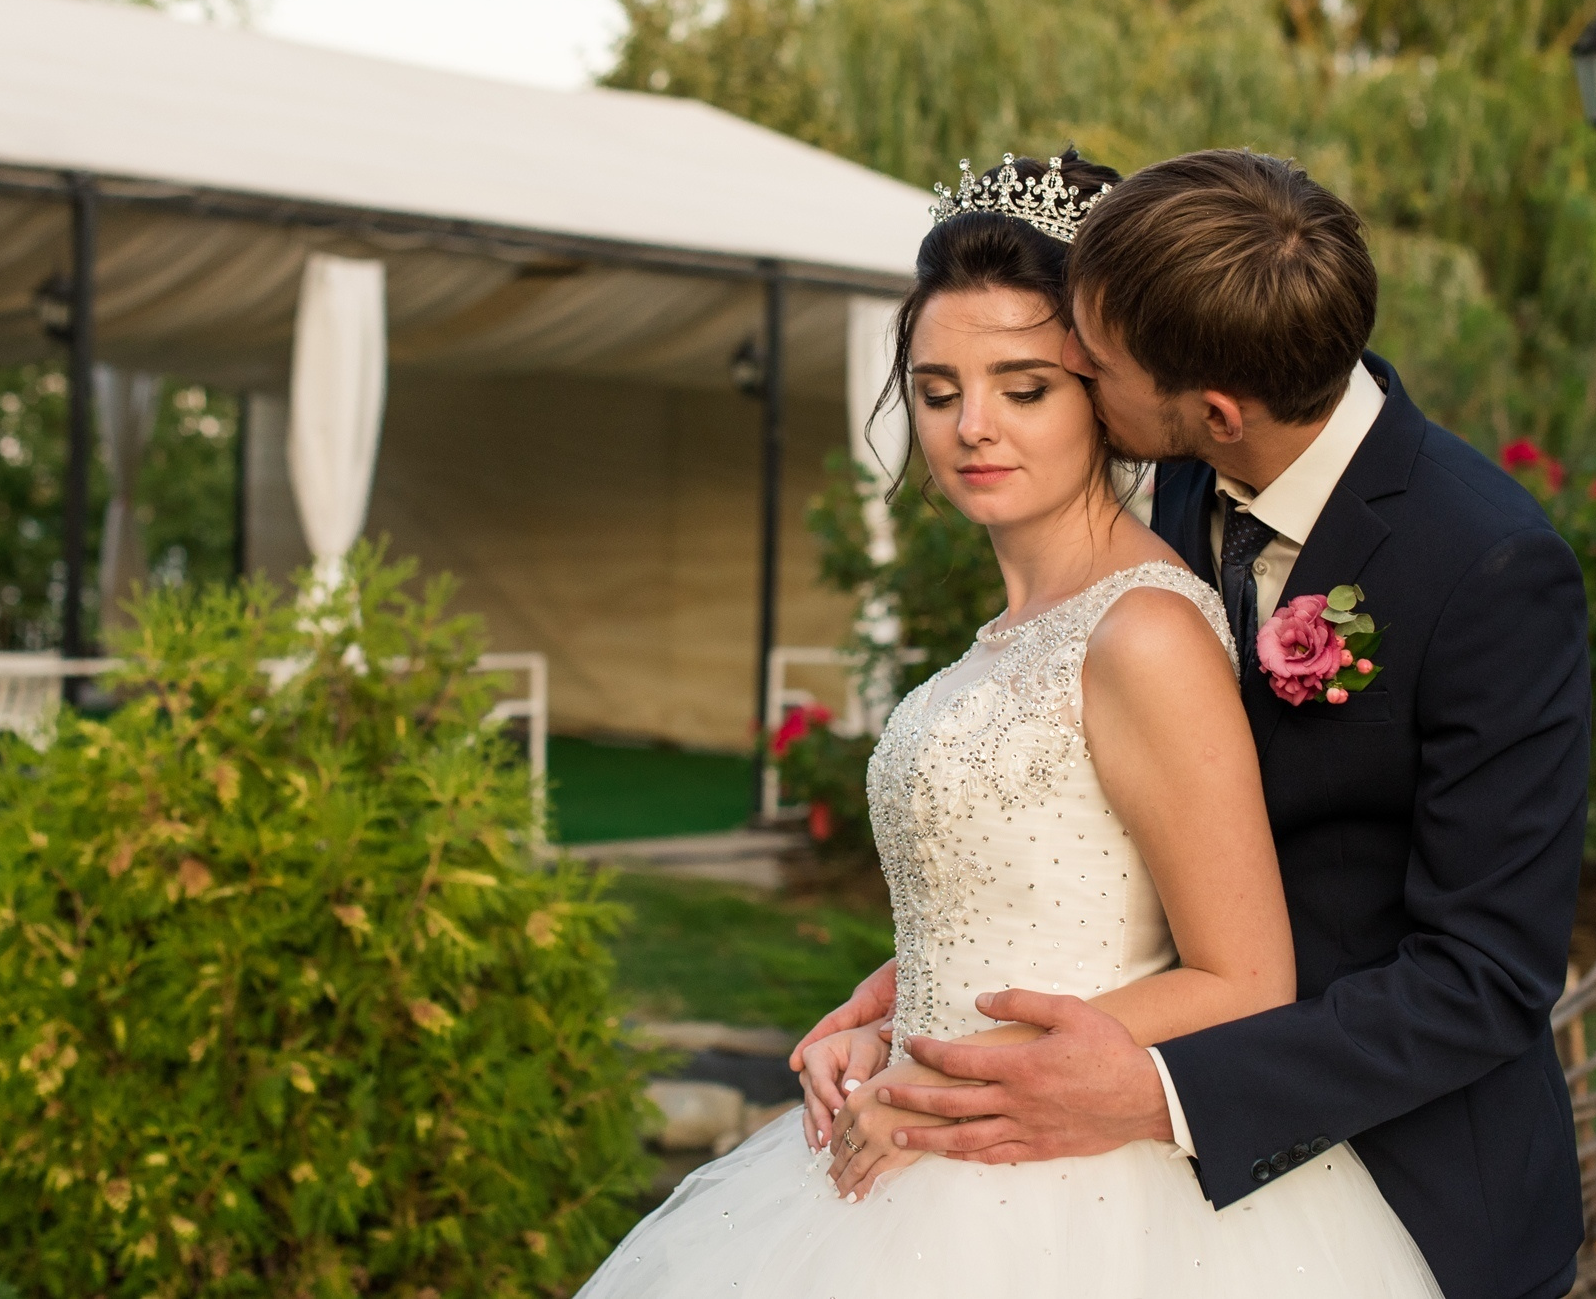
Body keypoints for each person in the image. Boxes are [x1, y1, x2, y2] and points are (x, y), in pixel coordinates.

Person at [575, 151, 1446, 1299]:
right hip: (916, 1150)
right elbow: (1037, 897)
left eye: (1024, 388)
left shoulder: (1144, 631)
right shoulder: (1020, 628)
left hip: (1085, 1199)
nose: (973, 427)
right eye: (938, 392)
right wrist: (886, 1025)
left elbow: (1242, 976)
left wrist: (943, 1078)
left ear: (1108, 394)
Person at [794, 149, 1593, 1299]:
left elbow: (1485, 975)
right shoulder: (1188, 473)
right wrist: (917, 989)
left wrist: (1155, 1087)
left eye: (1085, 369)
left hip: (1408, 1185)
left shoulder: (1488, 567)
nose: (1068, 380)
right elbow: (1114, 825)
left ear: (1209, 407)